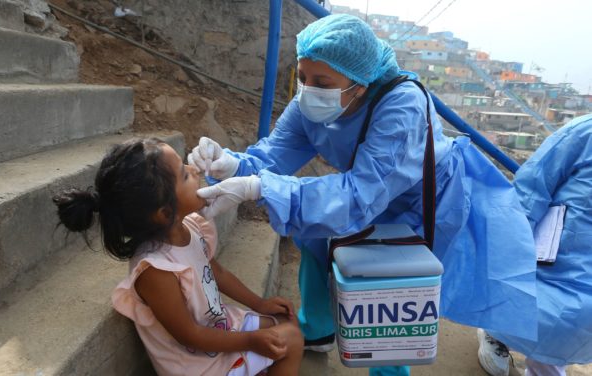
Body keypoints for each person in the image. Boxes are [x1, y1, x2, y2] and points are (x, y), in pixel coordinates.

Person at [189, 14, 539, 376]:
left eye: (321, 81)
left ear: (359, 82)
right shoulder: (312, 102)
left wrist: (261, 187)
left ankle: (388, 368)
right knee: (312, 234)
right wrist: (231, 164)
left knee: (390, 286)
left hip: (417, 198)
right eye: (302, 77)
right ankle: (318, 327)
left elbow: (359, 197)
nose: (308, 89)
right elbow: (273, 156)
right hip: (363, 186)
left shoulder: (401, 106)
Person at [52, 138, 303, 376]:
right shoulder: (156, 270)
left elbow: (218, 273)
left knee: (283, 321)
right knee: (290, 339)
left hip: (219, 328)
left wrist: (259, 304)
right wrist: (250, 340)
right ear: (164, 213)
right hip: (197, 364)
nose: (193, 169)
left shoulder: (190, 228)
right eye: (184, 175)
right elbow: (189, 334)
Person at [477, 114, 592, 376]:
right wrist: (512, 242)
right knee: (537, 307)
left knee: (565, 325)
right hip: (553, 252)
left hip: (580, 263)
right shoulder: (584, 132)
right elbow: (532, 186)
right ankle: (494, 332)